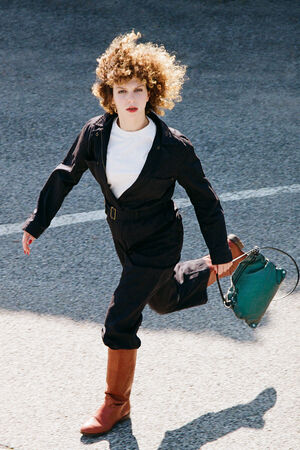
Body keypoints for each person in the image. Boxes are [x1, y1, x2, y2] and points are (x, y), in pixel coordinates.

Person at [22, 31, 245, 436]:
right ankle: (220, 265)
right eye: (121, 89)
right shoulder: (96, 134)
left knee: (120, 319)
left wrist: (214, 241)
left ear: (152, 91)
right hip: (121, 233)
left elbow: (205, 199)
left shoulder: (172, 146)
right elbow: (64, 176)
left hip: (160, 236)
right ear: (109, 92)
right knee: (162, 299)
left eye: (138, 89)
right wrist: (37, 223)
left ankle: (116, 404)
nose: (129, 97)